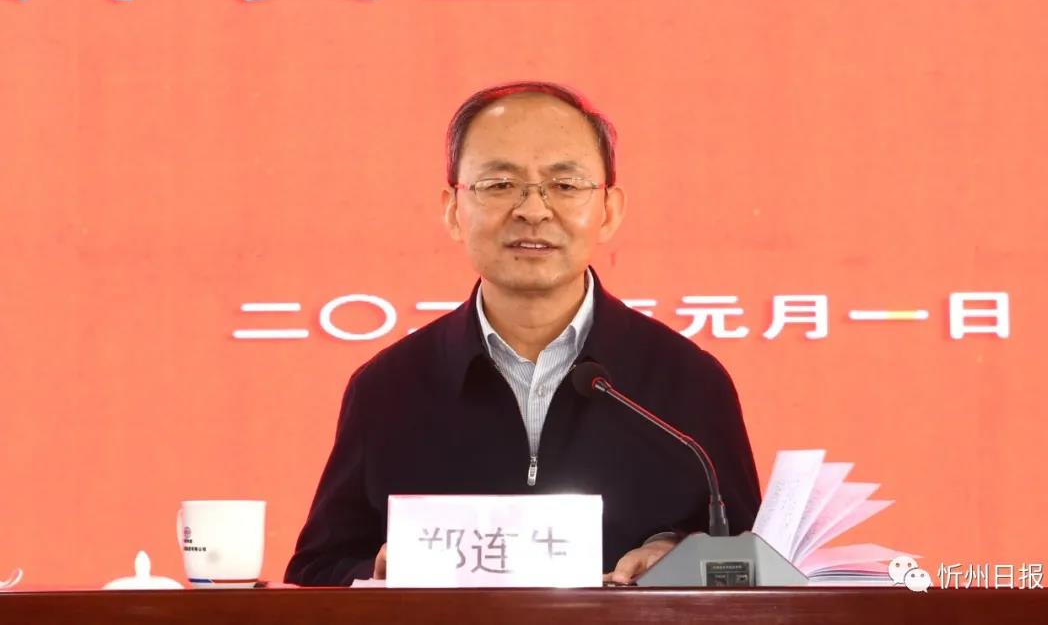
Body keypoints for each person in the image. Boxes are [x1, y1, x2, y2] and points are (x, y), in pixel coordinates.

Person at [284, 81, 760, 586]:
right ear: (452, 209)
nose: (533, 210)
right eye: (499, 185)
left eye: (565, 185)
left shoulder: (689, 380)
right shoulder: (387, 387)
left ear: (609, 210)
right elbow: (317, 571)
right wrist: (379, 572)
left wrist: (679, 557)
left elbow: (756, 566)